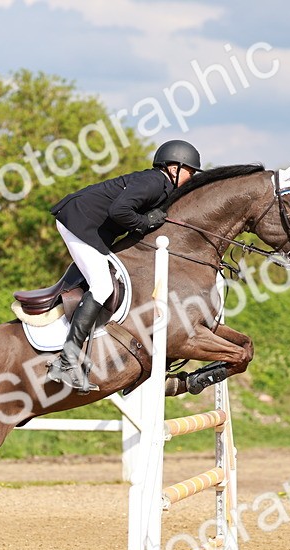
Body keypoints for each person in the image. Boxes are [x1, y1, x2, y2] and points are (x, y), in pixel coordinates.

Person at [46, 139, 202, 393]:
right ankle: (66, 362)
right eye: (190, 171)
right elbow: (121, 211)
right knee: (102, 286)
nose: (191, 177)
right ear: (174, 168)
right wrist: (144, 221)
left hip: (88, 225)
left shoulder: (160, 186)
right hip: (78, 221)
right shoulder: (154, 182)